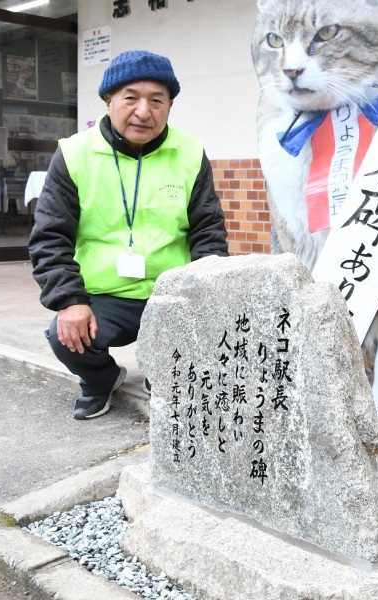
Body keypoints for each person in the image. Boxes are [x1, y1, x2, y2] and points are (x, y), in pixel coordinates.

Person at [29, 50, 229, 420]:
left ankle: (163, 372)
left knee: (216, 327)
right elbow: (49, 237)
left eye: (157, 100)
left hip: (172, 291)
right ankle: (101, 379)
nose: (144, 111)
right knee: (64, 337)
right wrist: (69, 300)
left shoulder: (189, 152)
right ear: (108, 101)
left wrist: (208, 292)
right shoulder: (75, 154)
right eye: (131, 98)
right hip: (105, 293)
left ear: (170, 106)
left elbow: (208, 229)